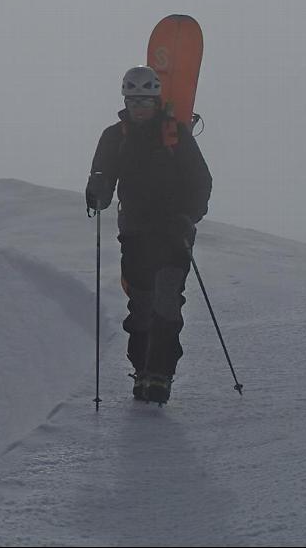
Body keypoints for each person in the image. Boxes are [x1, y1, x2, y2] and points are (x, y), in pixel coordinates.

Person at [85, 65, 212, 404]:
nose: (139, 105)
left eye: (145, 99)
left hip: (173, 233)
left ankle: (160, 375)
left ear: (156, 99)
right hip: (136, 234)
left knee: (166, 301)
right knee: (140, 305)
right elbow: (103, 174)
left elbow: (201, 182)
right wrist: (96, 191)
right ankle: (141, 370)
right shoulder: (115, 136)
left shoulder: (176, 134)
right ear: (125, 99)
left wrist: (188, 217)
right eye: (133, 99)